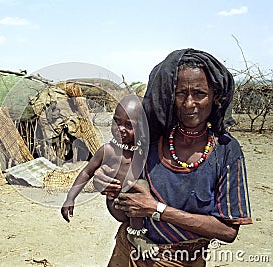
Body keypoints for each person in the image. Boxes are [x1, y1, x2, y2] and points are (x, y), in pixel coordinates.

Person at [93, 48, 253, 266]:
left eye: (199, 94)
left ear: (215, 97)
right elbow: (124, 215)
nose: (189, 104)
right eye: (180, 94)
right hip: (128, 255)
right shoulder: (150, 141)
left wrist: (158, 210)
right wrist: (111, 193)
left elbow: (227, 231)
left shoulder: (225, 151)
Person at [61, 95, 158, 258]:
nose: (120, 128)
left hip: (138, 205)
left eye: (129, 125)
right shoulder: (108, 150)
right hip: (117, 203)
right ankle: (136, 234)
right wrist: (70, 198)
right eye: (116, 122)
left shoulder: (143, 150)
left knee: (140, 184)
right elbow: (86, 172)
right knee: (139, 184)